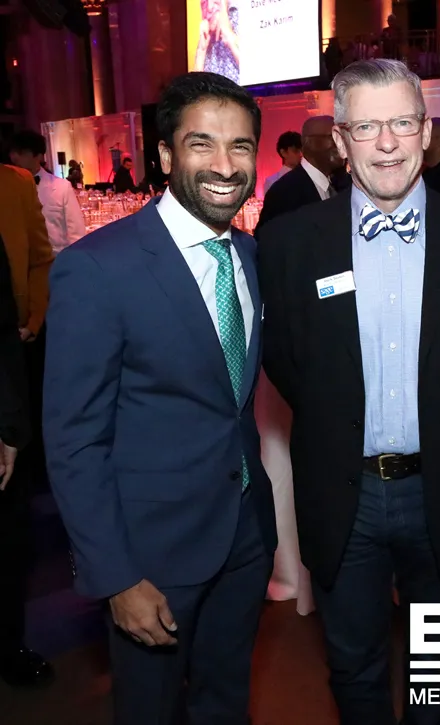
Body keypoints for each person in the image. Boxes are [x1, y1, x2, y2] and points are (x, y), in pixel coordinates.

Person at [256, 59, 440, 725]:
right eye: (367, 127)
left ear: (426, 133)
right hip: (343, 492)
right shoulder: (288, 245)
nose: (387, 143)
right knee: (353, 663)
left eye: (402, 123)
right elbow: (287, 364)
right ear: (341, 142)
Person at [43, 72, 276, 724]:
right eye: (202, 144)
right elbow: (74, 438)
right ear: (167, 155)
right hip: (151, 555)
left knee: (226, 702)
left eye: (240, 146)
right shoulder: (99, 267)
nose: (225, 165)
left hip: (245, 537)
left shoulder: (251, 256)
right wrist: (116, 575)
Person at [0, 162, 53, 689]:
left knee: (10, 529)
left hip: (10, 366)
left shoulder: (13, 184)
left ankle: (8, 642)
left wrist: (33, 319)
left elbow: (39, 261)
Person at [8, 130, 87, 254]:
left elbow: (76, 233)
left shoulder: (62, 187)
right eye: (12, 152)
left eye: (21, 153)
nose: (14, 157)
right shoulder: (7, 187)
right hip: (19, 260)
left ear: (39, 156)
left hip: (55, 258)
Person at [257, 116, 338, 231]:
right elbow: (268, 237)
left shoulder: (339, 184)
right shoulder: (284, 192)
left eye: (343, 138)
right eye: (333, 138)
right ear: (309, 143)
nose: (340, 145)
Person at [262, 130, 303, 195]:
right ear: (283, 152)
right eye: (295, 151)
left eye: (302, 151)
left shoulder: (308, 179)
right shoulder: (272, 182)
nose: (301, 155)